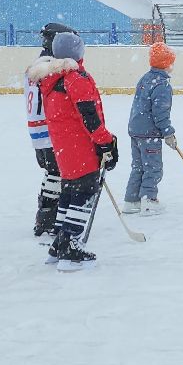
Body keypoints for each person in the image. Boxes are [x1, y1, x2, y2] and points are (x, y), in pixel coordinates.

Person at [31, 32, 119, 268]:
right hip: (80, 147)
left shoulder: (52, 78)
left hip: (63, 148)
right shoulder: (75, 77)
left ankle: (59, 243)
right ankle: (70, 247)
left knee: (69, 192)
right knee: (83, 193)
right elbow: (89, 116)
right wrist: (105, 142)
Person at [27, 22, 76, 235]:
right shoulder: (49, 67)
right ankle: (47, 218)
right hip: (49, 131)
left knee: (53, 173)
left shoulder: (38, 64)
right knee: (56, 173)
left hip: (39, 132)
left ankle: (46, 215)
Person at [123, 41, 177, 215]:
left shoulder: (145, 78)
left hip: (136, 130)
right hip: (149, 133)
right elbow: (160, 113)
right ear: (166, 64)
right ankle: (149, 200)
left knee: (138, 166)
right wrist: (168, 132)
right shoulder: (162, 85)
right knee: (153, 167)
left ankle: (131, 201)